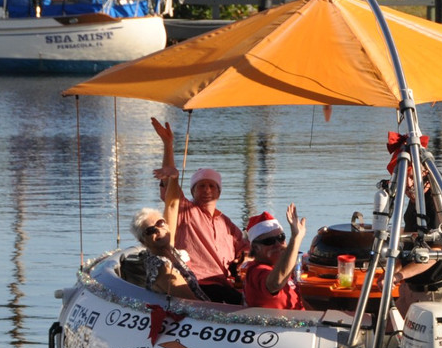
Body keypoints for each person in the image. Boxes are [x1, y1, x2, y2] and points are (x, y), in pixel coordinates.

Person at [152, 118, 247, 303]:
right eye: (201, 186)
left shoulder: (226, 223)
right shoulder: (186, 211)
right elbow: (170, 189)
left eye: (212, 186)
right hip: (198, 283)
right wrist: (168, 145)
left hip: (225, 283)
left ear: (219, 191)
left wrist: (243, 260)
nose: (207, 190)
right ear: (192, 191)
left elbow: (246, 249)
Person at [391, 164, 442, 317]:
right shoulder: (414, 201)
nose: (408, 184)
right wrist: (392, 272)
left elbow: (434, 254)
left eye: (412, 177)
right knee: (389, 326)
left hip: (437, 294)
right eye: (404, 178)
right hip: (410, 289)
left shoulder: (437, 204)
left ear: (426, 177)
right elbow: (409, 246)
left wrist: (398, 276)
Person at [130, 207, 209, 301]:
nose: (158, 230)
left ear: (167, 225)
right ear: (143, 241)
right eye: (150, 230)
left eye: (160, 223)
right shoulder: (161, 265)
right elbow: (192, 302)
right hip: (195, 309)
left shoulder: (171, 252)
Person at [242, 207, 308, 310]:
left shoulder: (278, 268)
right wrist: (296, 238)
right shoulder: (256, 272)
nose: (278, 244)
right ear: (256, 247)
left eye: (281, 238)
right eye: (269, 241)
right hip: (277, 320)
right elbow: (276, 283)